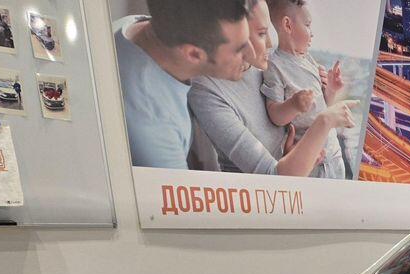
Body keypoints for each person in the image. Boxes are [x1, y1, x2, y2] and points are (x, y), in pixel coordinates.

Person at [188, 0, 355, 177]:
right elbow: (273, 175)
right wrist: (325, 120)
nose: (270, 43)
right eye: (262, 33)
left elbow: (305, 116)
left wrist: (327, 91)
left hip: (313, 169)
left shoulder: (269, 62)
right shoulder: (206, 92)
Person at [113, 0, 251, 169]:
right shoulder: (154, 130)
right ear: (193, 54)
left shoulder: (136, 27)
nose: (252, 53)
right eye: (239, 49)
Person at [262, 0, 346, 178]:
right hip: (312, 162)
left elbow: (323, 106)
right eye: (307, 25)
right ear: (288, 25)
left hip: (334, 153)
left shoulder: (309, 60)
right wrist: (294, 105)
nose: (312, 33)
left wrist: (331, 89)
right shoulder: (275, 65)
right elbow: (274, 114)